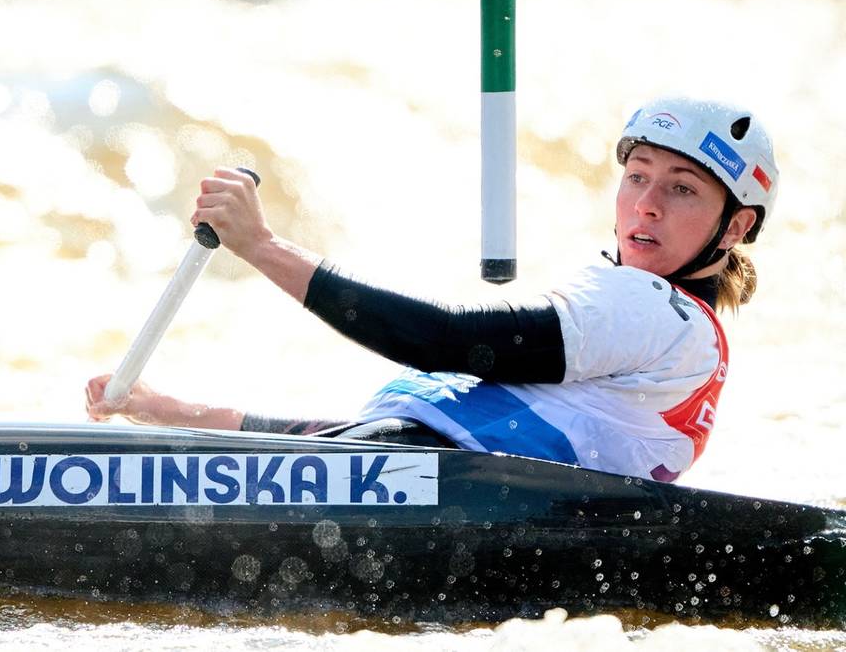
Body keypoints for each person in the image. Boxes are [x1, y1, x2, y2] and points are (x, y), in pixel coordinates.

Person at [85, 96, 779, 482]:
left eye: (682, 188)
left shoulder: (654, 309)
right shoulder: (657, 336)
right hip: (448, 489)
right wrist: (167, 409)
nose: (647, 203)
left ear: (735, 225)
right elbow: (353, 444)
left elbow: (448, 339)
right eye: (638, 175)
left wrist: (263, 246)